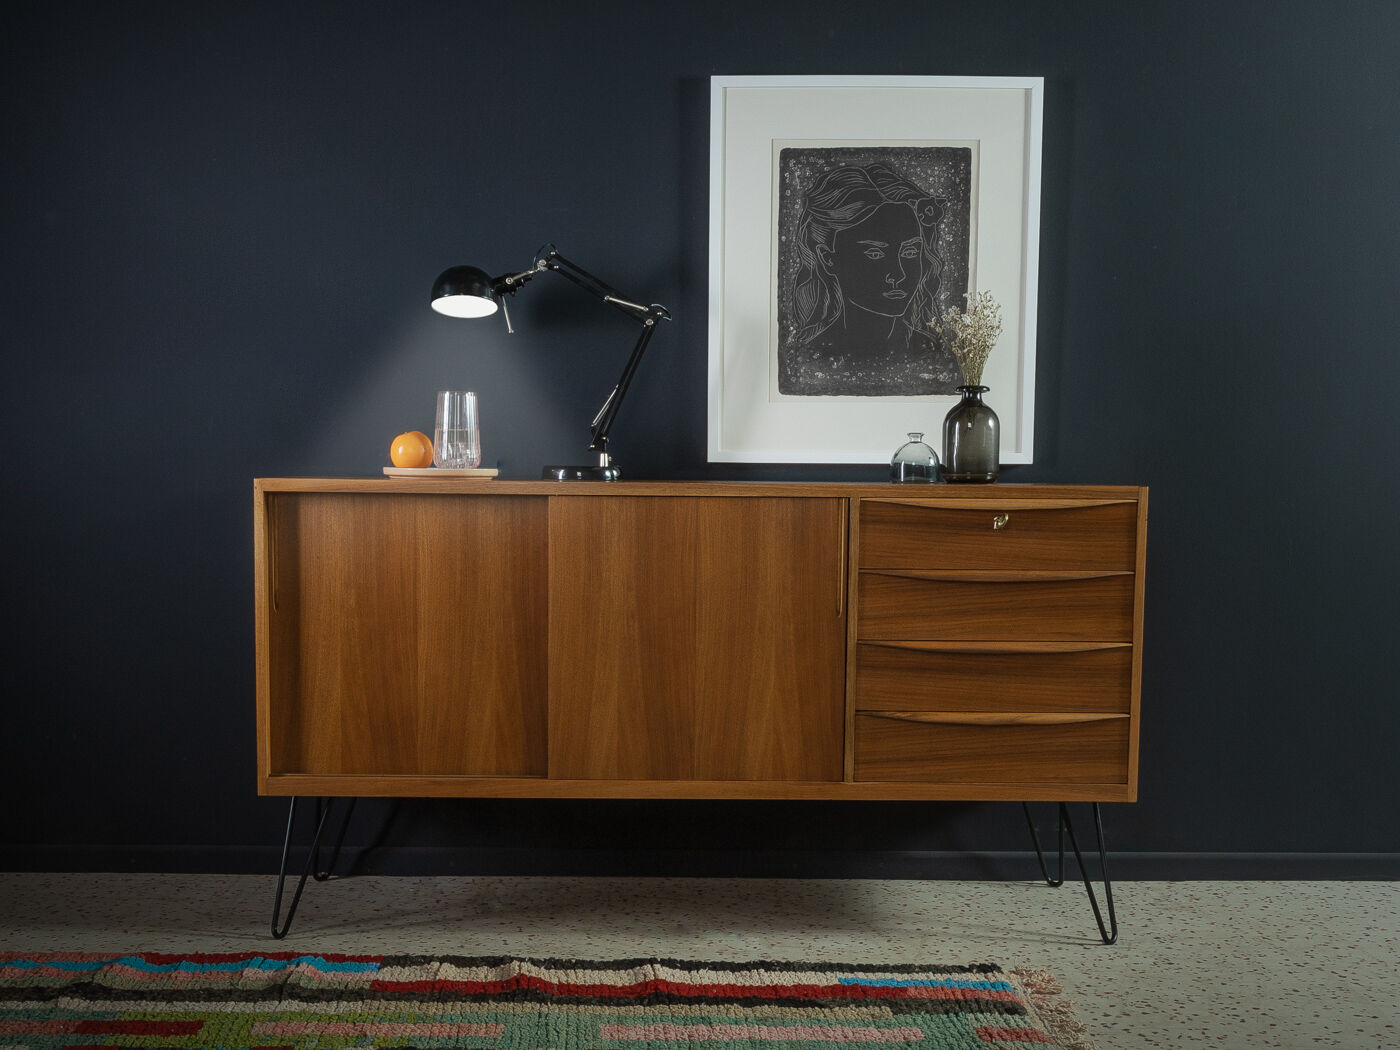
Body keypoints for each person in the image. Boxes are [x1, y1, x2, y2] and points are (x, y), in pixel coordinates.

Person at [781, 162, 960, 396]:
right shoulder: (808, 357)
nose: (898, 274)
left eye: (909, 252)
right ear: (827, 258)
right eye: (875, 254)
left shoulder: (933, 353)